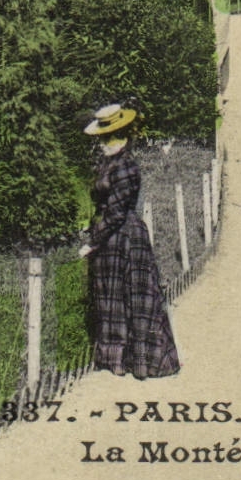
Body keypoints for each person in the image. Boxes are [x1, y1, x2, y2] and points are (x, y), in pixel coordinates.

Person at [77, 104, 180, 379]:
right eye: (101, 139)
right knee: (111, 298)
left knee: (134, 298)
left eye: (105, 139)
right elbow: (105, 205)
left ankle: (142, 362)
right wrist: (91, 227)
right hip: (112, 238)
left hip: (126, 237)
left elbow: (117, 212)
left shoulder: (126, 167)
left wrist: (92, 241)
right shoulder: (110, 163)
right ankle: (115, 361)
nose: (101, 144)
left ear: (117, 137)